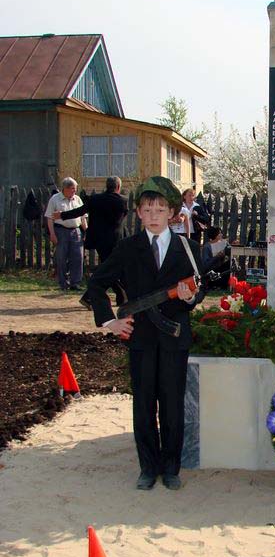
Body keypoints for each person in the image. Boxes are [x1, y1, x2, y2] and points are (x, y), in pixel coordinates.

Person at [87, 176, 205, 491]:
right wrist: (108, 321)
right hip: (140, 339)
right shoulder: (127, 248)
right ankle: (147, 468)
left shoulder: (188, 248)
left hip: (174, 338)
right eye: (147, 209)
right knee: (143, 405)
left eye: (160, 209)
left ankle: (171, 468)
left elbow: (200, 288)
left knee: (172, 405)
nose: (153, 216)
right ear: (138, 213)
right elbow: (96, 284)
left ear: (173, 213)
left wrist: (189, 295)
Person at [53, 175, 128, 308]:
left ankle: (118, 296)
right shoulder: (122, 201)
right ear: (118, 187)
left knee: (109, 268)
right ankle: (95, 297)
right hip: (114, 241)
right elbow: (121, 219)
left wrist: (62, 215)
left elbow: (80, 211)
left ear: (107, 185)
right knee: (109, 269)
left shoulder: (95, 199)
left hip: (99, 241)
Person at [45, 177, 87, 291]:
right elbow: (49, 217)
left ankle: (76, 283)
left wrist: (86, 231)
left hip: (76, 230)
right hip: (61, 230)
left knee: (78, 257)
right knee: (61, 257)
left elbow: (83, 217)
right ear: (65, 188)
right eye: (72, 189)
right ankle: (63, 282)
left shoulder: (77, 199)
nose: (74, 191)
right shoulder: (55, 199)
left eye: (75, 188)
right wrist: (52, 234)